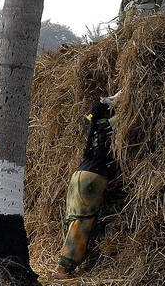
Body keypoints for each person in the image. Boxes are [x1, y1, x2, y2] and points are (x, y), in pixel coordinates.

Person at [52, 100, 117, 280]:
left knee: (75, 221)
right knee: (82, 223)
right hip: (92, 178)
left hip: (79, 176)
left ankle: (65, 265)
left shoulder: (94, 127)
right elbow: (128, 113)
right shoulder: (108, 125)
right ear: (107, 114)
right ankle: (63, 268)